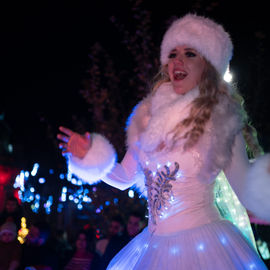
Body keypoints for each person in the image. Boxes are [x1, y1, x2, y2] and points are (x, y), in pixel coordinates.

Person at [57, 14, 270, 269]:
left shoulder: (222, 119)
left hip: (205, 249)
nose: (178, 60)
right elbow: (125, 177)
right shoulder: (147, 117)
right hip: (152, 248)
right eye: (173, 53)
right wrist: (90, 155)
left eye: (190, 53)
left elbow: (247, 189)